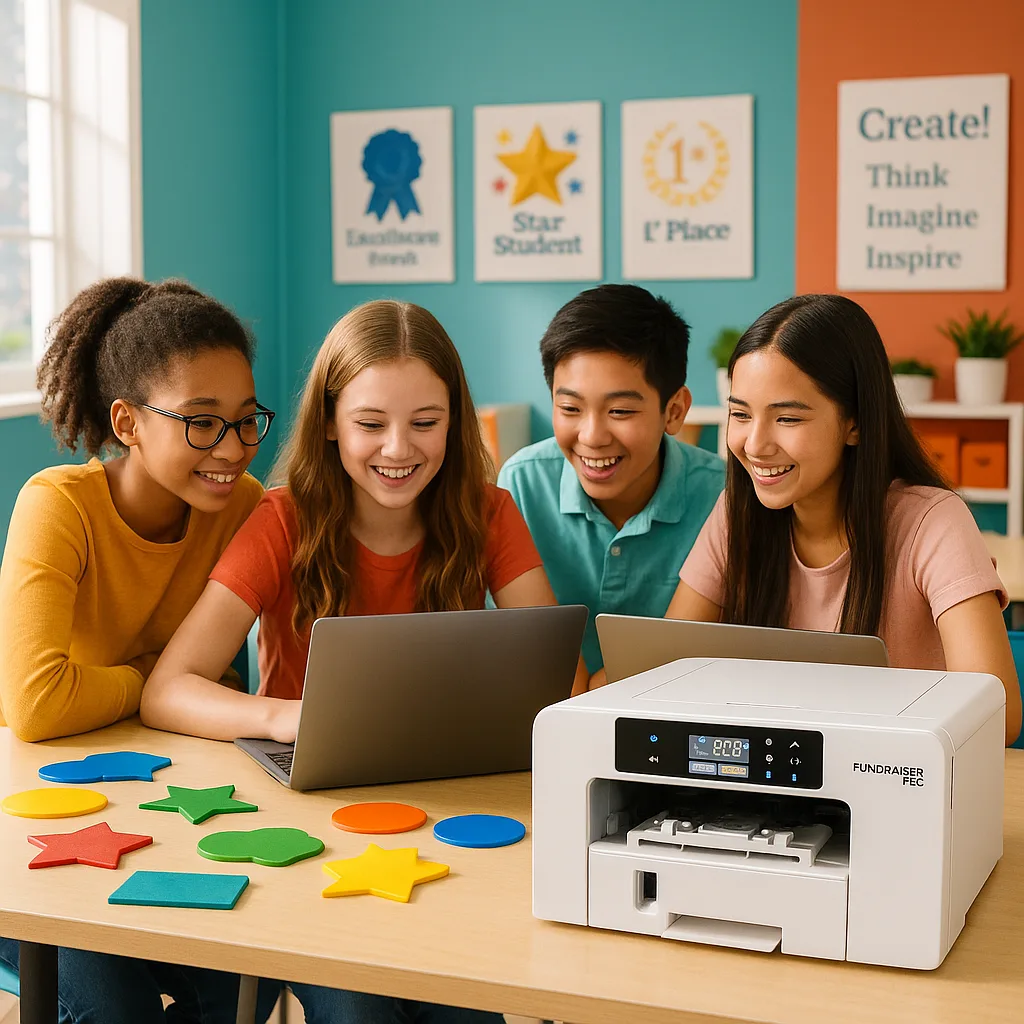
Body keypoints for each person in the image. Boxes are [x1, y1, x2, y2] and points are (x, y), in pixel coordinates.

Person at [142, 298, 560, 1023]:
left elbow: (558, 683)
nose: (398, 448)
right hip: (315, 827)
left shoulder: (489, 513)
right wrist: (289, 716)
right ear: (330, 421)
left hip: (453, 815)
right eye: (370, 424)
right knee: (359, 1010)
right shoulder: (282, 521)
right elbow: (168, 691)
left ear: (455, 421)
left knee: (465, 1008)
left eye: (425, 423)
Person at [0, 276, 272, 1021]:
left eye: (248, 422)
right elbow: (35, 704)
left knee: (240, 983)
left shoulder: (242, 504)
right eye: (202, 423)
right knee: (113, 1009)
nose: (233, 448)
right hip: (35, 818)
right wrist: (155, 680)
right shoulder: (58, 506)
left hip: (157, 807)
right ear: (127, 421)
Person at [667, 293, 1021, 745]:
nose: (754, 444)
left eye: (787, 417)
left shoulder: (933, 521)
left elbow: (999, 718)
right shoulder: (736, 513)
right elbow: (667, 669)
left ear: (854, 422)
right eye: (740, 414)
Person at [497, 284, 725, 690]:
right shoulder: (522, 484)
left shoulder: (722, 496)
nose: (592, 435)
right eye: (570, 408)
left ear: (673, 411)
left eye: (619, 411)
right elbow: (510, 644)